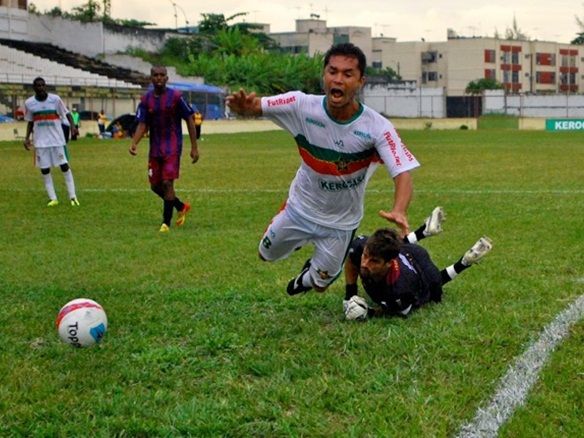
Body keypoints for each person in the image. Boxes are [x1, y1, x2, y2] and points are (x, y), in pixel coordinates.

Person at [225, 42, 419, 295]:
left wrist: (400, 210)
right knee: (266, 255)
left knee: (319, 284)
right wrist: (244, 109)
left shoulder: (377, 127)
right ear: (324, 75)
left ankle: (303, 279)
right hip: (299, 209)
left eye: (348, 74)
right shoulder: (300, 105)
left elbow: (402, 172)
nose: (338, 79)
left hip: (341, 223)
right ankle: (298, 240)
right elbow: (256, 105)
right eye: (332, 71)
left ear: (361, 81)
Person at [343, 207, 493, 320]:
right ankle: (424, 231)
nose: (365, 264)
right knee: (390, 245)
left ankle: (465, 262)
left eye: (374, 261)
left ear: (389, 263)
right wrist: (350, 295)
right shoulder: (360, 247)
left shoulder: (401, 290)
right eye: (365, 256)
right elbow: (351, 259)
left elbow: (394, 312)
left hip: (421, 268)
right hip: (404, 252)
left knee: (434, 285)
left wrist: (368, 312)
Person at [129, 65, 199, 233]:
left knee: (167, 183)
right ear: (151, 78)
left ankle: (165, 223)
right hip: (155, 149)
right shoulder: (146, 100)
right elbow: (142, 123)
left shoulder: (175, 97)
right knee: (155, 186)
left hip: (172, 147)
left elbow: (189, 118)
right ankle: (181, 206)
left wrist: (194, 147)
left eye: (162, 75)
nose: (159, 78)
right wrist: (134, 142)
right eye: (156, 75)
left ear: (167, 78)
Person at [23, 77, 80, 207]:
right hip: (40, 142)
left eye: (43, 85)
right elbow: (31, 122)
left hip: (57, 140)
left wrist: (72, 127)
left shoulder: (55, 99)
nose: (41, 88)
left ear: (45, 86)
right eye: (38, 86)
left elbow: (67, 114)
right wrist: (27, 138)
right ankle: (53, 198)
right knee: (44, 170)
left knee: (64, 166)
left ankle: (73, 197)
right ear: (34, 88)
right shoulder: (29, 103)